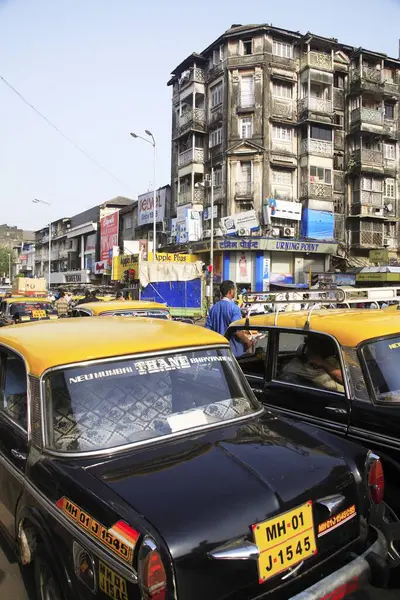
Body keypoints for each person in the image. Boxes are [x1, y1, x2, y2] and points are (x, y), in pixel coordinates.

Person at [205, 280, 253, 357]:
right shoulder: (234, 308)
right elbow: (236, 331)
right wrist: (247, 341)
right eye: (234, 290)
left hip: (218, 352)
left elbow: (207, 330)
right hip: (233, 353)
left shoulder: (213, 308)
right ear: (231, 291)